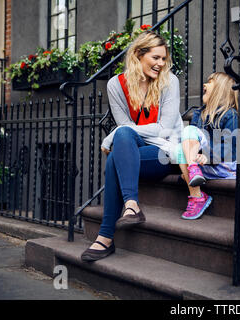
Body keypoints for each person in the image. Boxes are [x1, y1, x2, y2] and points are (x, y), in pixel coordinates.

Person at [81, 31, 183, 262]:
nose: (161, 64)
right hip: (134, 149)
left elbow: (164, 129)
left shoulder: (170, 81)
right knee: (123, 136)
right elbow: (125, 128)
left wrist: (115, 135)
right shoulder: (116, 85)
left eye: (164, 59)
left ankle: (105, 237)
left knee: (116, 153)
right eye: (155, 58)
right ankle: (131, 206)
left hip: (166, 151)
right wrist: (119, 133)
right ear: (138, 54)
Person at [176, 72, 240, 220]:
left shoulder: (230, 115)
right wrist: (198, 155)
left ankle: (190, 170)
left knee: (188, 130)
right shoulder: (199, 114)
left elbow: (231, 147)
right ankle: (197, 196)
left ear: (221, 89)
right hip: (206, 165)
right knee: (179, 148)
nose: (204, 85)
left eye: (210, 82)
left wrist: (208, 155)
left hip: (227, 165)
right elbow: (192, 142)